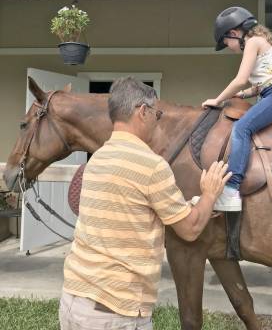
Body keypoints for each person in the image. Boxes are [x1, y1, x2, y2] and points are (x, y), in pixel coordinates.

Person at [59, 76, 231, 330]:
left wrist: (187, 203)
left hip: (74, 299)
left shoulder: (97, 158)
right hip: (116, 312)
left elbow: (132, 203)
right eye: (157, 114)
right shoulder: (151, 166)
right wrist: (209, 194)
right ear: (143, 112)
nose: (157, 120)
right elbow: (190, 229)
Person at [202, 6, 272, 212]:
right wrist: (243, 95)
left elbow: (240, 79)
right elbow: (261, 82)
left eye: (226, 42)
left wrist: (218, 99)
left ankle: (231, 190)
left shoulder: (253, 42)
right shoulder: (258, 44)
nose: (228, 46)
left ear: (234, 33)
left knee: (241, 128)